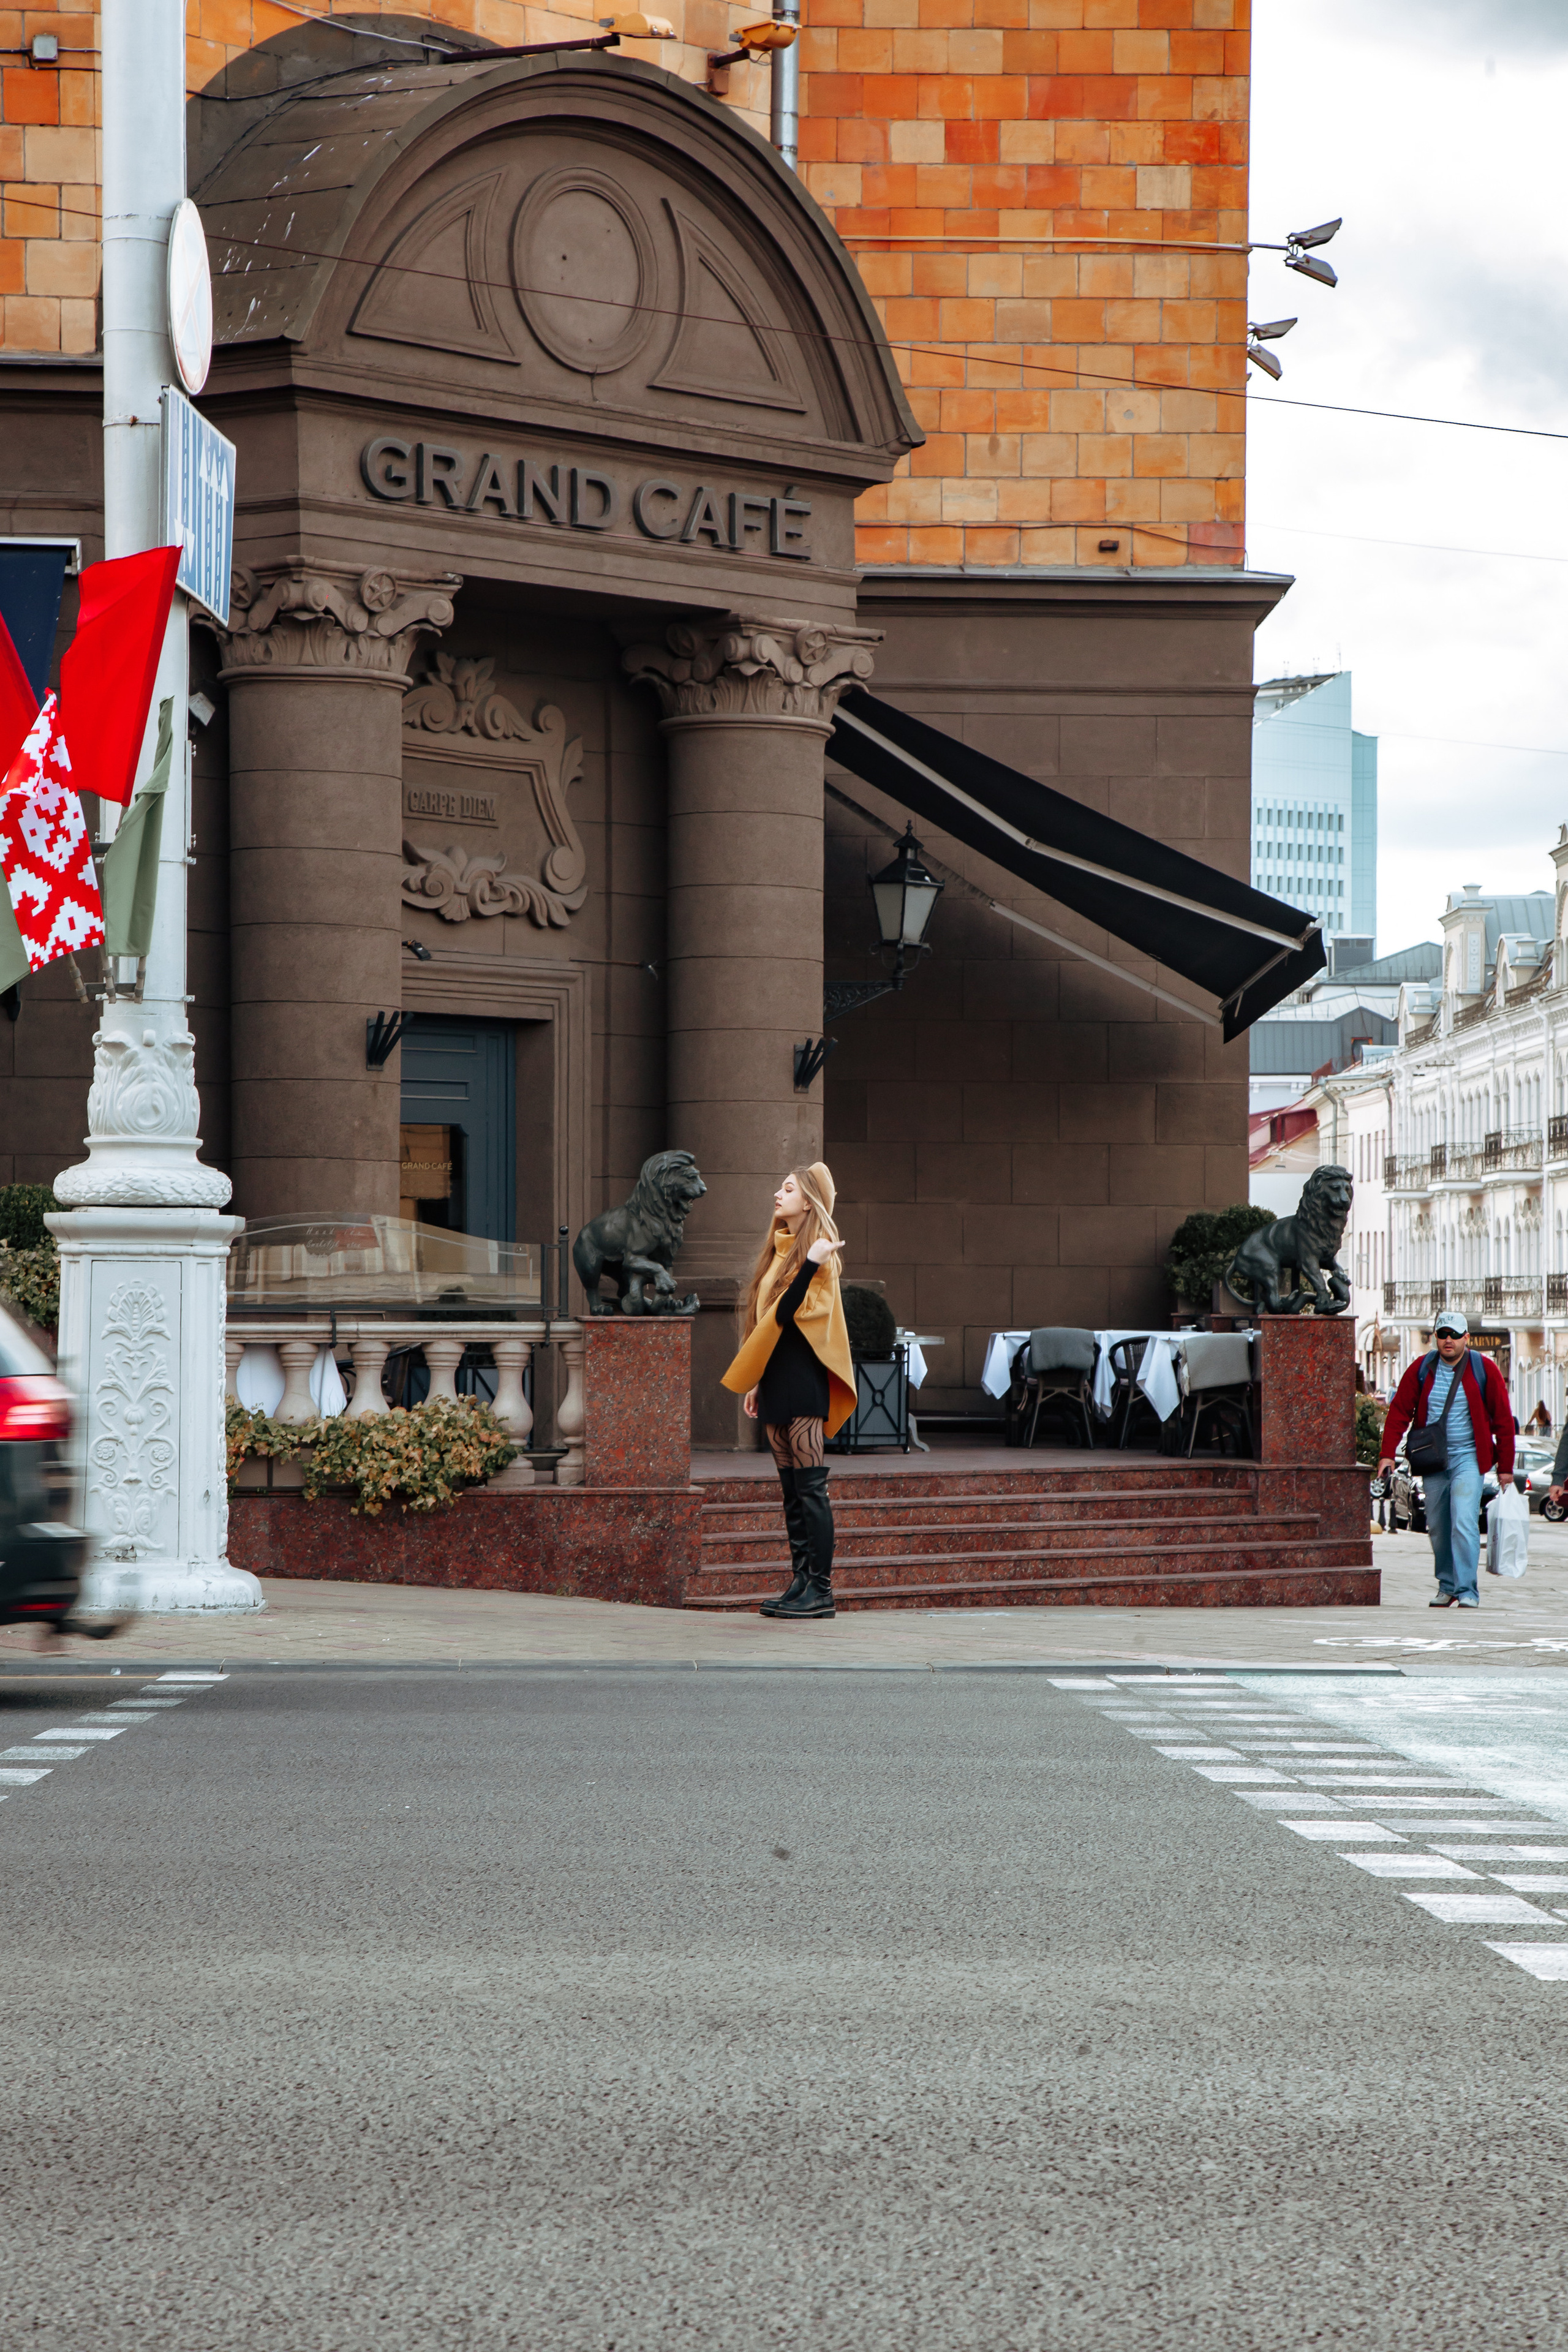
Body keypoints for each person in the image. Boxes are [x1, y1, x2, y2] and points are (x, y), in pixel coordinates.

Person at [722, 1164, 856, 1621]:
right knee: (791, 1491)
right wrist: (758, 1377)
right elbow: (763, 1327)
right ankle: (800, 1581)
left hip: (804, 1377)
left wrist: (815, 1260)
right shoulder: (777, 1253)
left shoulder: (822, 1256)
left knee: (812, 1488)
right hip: (778, 1377)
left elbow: (790, 1313)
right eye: (779, 1188)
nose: (777, 1195)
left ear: (809, 1200)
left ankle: (820, 1590)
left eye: (788, 1189)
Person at [1378, 1311, 1515, 1609]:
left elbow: (1503, 1420)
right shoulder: (1423, 1368)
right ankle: (1447, 1585)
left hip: (1468, 1458)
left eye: (1455, 1334)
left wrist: (1505, 1468)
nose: (1448, 1340)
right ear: (1435, 1338)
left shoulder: (1484, 1369)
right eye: (1443, 1334)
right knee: (1438, 1525)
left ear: (1467, 1338)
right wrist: (1387, 1454)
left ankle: (1467, 1590)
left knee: (1464, 1521)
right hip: (1433, 1460)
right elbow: (1400, 1411)